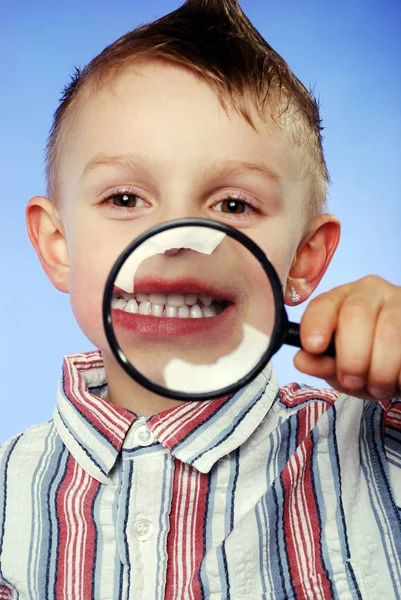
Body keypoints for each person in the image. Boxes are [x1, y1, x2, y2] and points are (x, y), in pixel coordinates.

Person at [1, 0, 400, 597]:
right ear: (58, 246)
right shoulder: (8, 491)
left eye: (233, 205)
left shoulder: (378, 449)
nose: (182, 239)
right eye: (126, 198)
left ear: (303, 259)